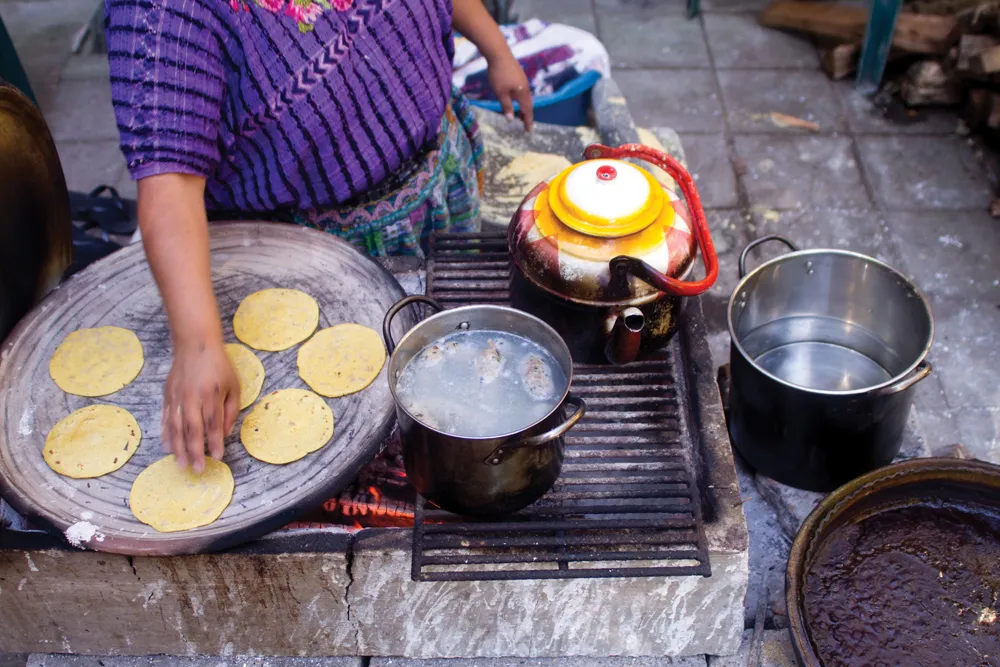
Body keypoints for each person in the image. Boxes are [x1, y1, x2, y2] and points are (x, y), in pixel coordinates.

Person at [105, 0, 533, 472]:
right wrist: (199, 346)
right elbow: (170, 179)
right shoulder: (162, 10)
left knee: (447, 346)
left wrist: (496, 49)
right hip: (316, 253)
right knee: (368, 425)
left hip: (438, 175)